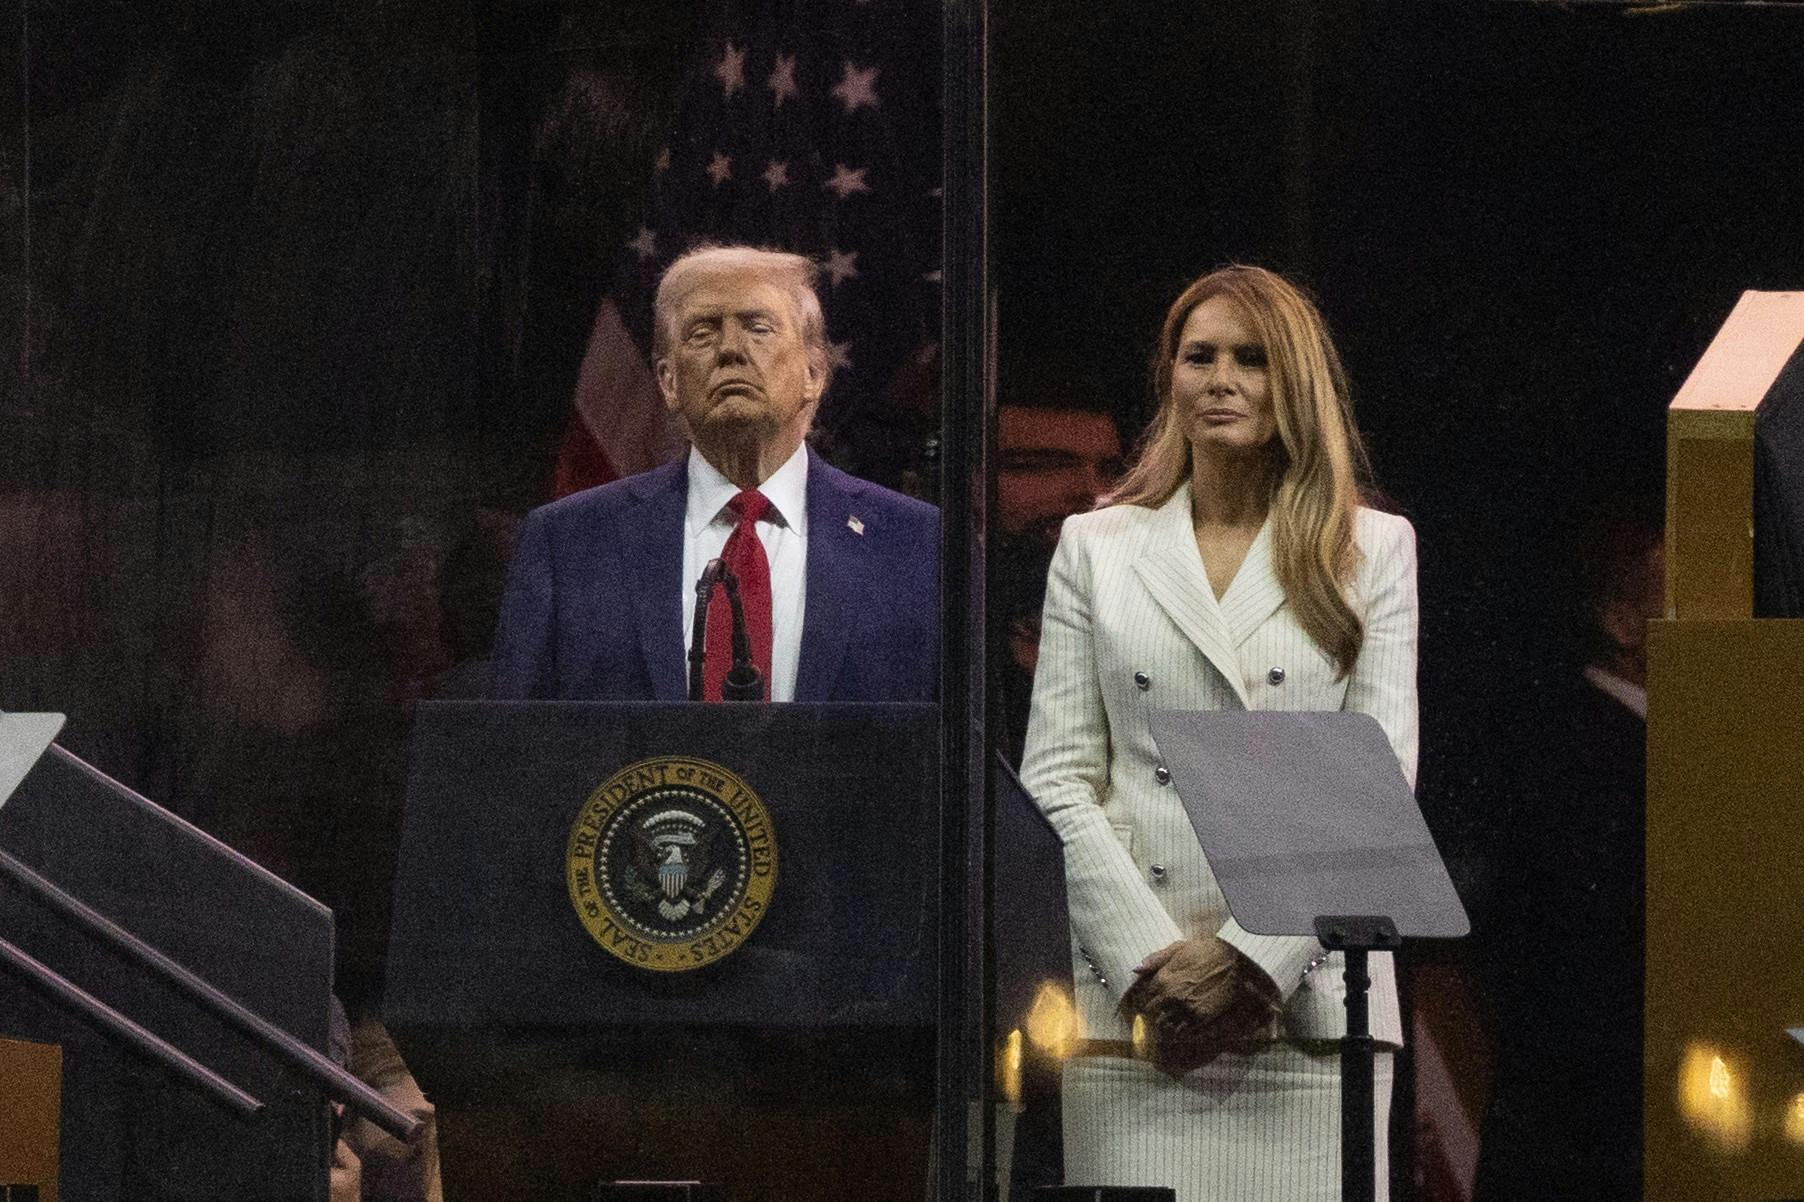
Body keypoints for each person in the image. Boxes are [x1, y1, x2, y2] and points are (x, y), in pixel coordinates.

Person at [1020, 264, 1418, 1201]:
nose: (1222, 379)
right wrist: (1146, 963)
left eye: (1252, 359)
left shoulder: (1373, 550)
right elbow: (1059, 779)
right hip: (1135, 1017)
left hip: (1314, 1012)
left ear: (1297, 385)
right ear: (1170, 380)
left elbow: (1378, 779)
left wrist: (1247, 962)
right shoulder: (1097, 546)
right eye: (1199, 357)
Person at [492, 245, 939, 703]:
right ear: (668, 382)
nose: (730, 349)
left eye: (758, 328)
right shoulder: (569, 544)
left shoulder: (919, 546)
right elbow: (521, 750)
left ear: (813, 373)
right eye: (702, 334)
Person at [1474, 507, 1659, 1202]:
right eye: (1686, 598)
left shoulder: (1584, 744)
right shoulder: (1604, 762)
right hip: (1597, 1139)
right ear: (1622, 621)